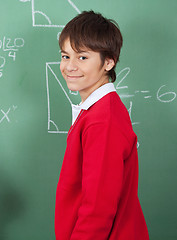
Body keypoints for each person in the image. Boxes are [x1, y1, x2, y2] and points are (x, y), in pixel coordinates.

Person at [55, 11, 149, 239]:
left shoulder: (102, 121)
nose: (69, 66)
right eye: (65, 56)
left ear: (109, 62)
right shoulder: (98, 110)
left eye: (82, 57)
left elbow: (98, 209)